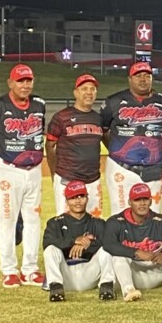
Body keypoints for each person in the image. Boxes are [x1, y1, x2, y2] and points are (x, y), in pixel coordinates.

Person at [0, 63, 46, 288]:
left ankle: (30, 269)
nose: (25, 85)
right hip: (7, 168)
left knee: (33, 220)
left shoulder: (39, 104)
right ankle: (9, 270)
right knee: (7, 220)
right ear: (10, 83)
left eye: (29, 80)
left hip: (34, 169)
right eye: (20, 81)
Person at [101, 61, 162, 214]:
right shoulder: (113, 101)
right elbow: (103, 130)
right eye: (138, 76)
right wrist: (117, 150)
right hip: (121, 167)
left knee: (153, 215)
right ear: (130, 79)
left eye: (147, 76)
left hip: (154, 169)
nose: (143, 79)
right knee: (120, 214)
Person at [103, 183, 162, 302]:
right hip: (132, 273)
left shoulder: (160, 221)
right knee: (118, 256)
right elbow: (108, 244)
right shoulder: (116, 222)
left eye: (145, 199)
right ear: (129, 202)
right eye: (137, 200)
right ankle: (128, 290)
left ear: (150, 201)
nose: (142, 203)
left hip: (157, 270)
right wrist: (136, 252)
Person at [42, 181, 112, 302]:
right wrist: (74, 241)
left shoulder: (98, 223)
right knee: (50, 249)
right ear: (66, 201)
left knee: (107, 249)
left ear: (87, 198)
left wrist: (87, 245)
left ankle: (107, 286)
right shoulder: (55, 223)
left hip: (90, 272)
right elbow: (47, 242)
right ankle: (55, 287)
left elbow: (110, 242)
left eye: (81, 196)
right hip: (66, 276)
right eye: (73, 198)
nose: (78, 201)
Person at [46, 73, 104, 217]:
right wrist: (54, 172)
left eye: (92, 89)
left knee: (95, 222)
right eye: (84, 89)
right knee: (66, 221)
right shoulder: (62, 117)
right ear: (76, 93)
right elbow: (50, 145)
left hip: (93, 180)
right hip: (68, 179)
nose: (89, 92)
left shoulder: (98, 118)